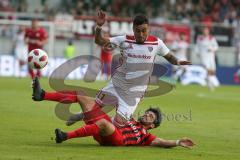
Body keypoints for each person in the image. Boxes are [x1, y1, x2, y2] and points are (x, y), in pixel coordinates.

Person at [32, 10, 191, 127]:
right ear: (133, 29)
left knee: (117, 126)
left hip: (135, 91)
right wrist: (99, 27)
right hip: (118, 84)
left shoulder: (157, 43)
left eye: (144, 31)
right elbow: (100, 42)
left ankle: (85, 118)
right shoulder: (125, 40)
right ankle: (48, 98)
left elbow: (169, 56)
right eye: (138, 31)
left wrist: (178, 62)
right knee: (95, 105)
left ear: (148, 29)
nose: (141, 34)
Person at [54, 94, 195, 148]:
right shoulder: (129, 119)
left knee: (105, 123)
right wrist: (137, 99)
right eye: (147, 113)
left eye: (150, 117)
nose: (146, 115)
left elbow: (162, 142)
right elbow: (124, 106)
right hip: (103, 132)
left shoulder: (146, 136)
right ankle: (83, 114)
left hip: (117, 140)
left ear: (152, 125)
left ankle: (65, 136)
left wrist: (177, 142)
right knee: (83, 98)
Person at [196, 26, 219, 91]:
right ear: (203, 31)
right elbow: (197, 46)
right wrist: (197, 53)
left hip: (211, 57)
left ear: (208, 31)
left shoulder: (212, 38)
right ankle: (210, 85)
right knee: (208, 70)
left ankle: (207, 80)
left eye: (206, 30)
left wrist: (212, 49)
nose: (205, 31)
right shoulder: (199, 38)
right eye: (204, 30)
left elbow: (216, 46)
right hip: (204, 57)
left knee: (213, 72)